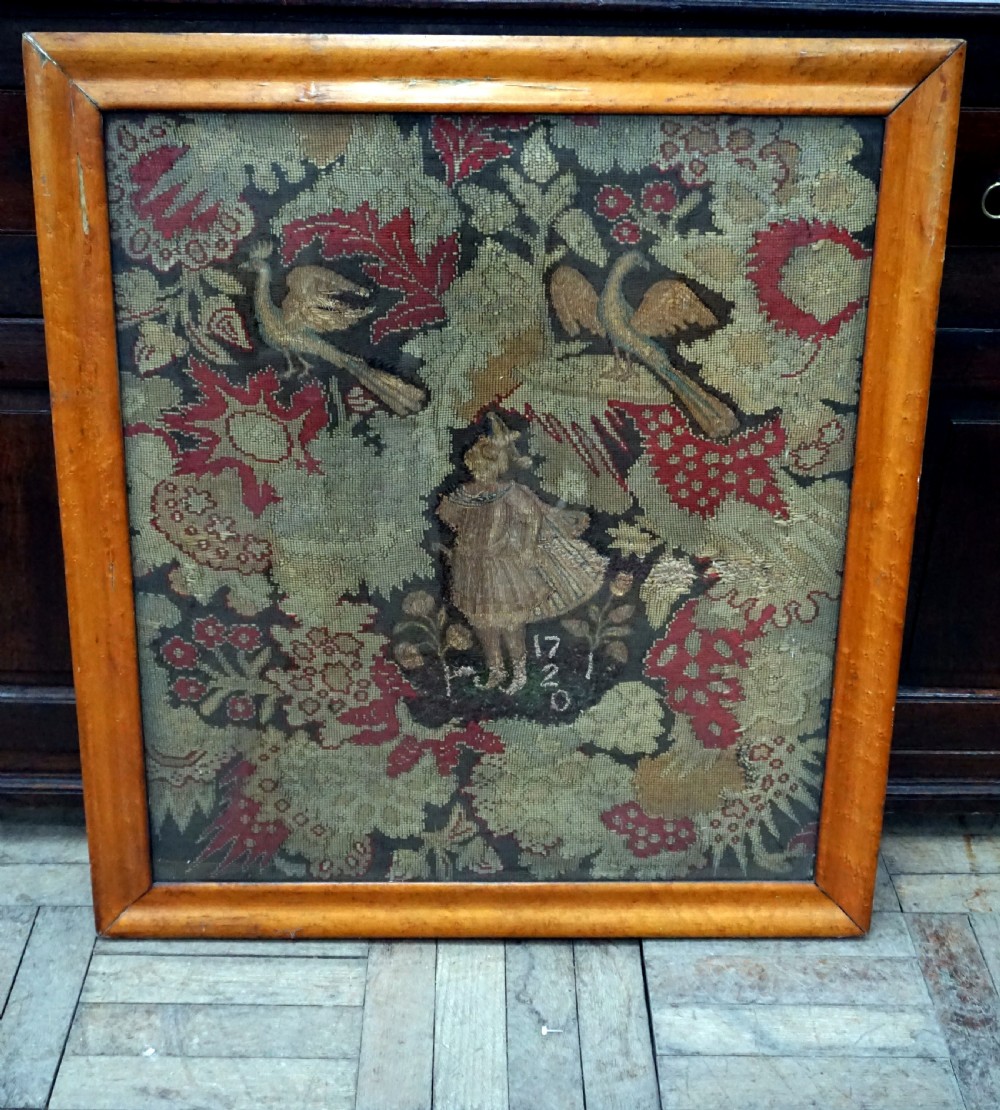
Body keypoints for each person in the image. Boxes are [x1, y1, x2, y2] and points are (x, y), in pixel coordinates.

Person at [437, 413, 608, 694]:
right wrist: (466, 538)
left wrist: (526, 547)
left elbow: (532, 517)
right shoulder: (465, 493)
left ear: (497, 466)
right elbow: (448, 515)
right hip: (471, 565)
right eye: (477, 468)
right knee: (482, 621)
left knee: (509, 621)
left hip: (502, 566)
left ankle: (518, 672)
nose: (482, 473)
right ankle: (495, 669)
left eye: (487, 468)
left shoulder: (509, 492)